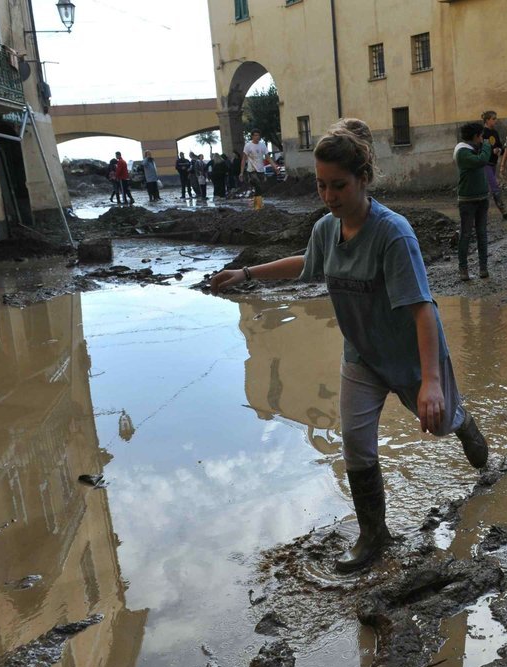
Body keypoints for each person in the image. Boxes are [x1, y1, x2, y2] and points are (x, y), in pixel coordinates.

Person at [209, 118, 490, 573]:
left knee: (439, 421)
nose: (328, 196)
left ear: (363, 178)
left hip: (410, 355)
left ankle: (464, 423)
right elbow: (308, 262)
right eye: (321, 185)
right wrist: (245, 274)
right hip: (361, 354)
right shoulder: (327, 229)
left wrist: (432, 383)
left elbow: (424, 311)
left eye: (338, 185)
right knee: (356, 442)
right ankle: (373, 535)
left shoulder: (394, 234)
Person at [454, 121, 493, 281]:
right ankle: (463, 269)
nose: (482, 139)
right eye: (481, 136)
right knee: (466, 234)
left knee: (481, 233)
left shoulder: (473, 149)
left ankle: (483, 268)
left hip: (482, 197)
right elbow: (481, 161)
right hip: (468, 200)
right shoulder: (462, 152)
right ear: (476, 136)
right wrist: (487, 147)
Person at [481, 111, 507, 221]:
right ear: (487, 120)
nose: (496, 120)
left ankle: (482, 213)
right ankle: (503, 210)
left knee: (488, 189)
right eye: (493, 119)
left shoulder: (494, 132)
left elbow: (500, 146)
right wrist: (492, 150)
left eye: (496, 118)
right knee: (494, 187)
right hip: (485, 163)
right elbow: (480, 148)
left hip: (493, 163)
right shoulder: (482, 133)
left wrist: (499, 149)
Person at [241, 129, 270, 195]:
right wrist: (241, 172)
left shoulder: (262, 145)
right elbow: (244, 159)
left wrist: (275, 167)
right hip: (252, 170)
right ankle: (257, 201)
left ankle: (257, 200)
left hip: (261, 170)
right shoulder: (248, 145)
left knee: (260, 188)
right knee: (257, 185)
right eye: (255, 135)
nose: (257, 137)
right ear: (252, 136)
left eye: (258, 135)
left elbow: (268, 157)